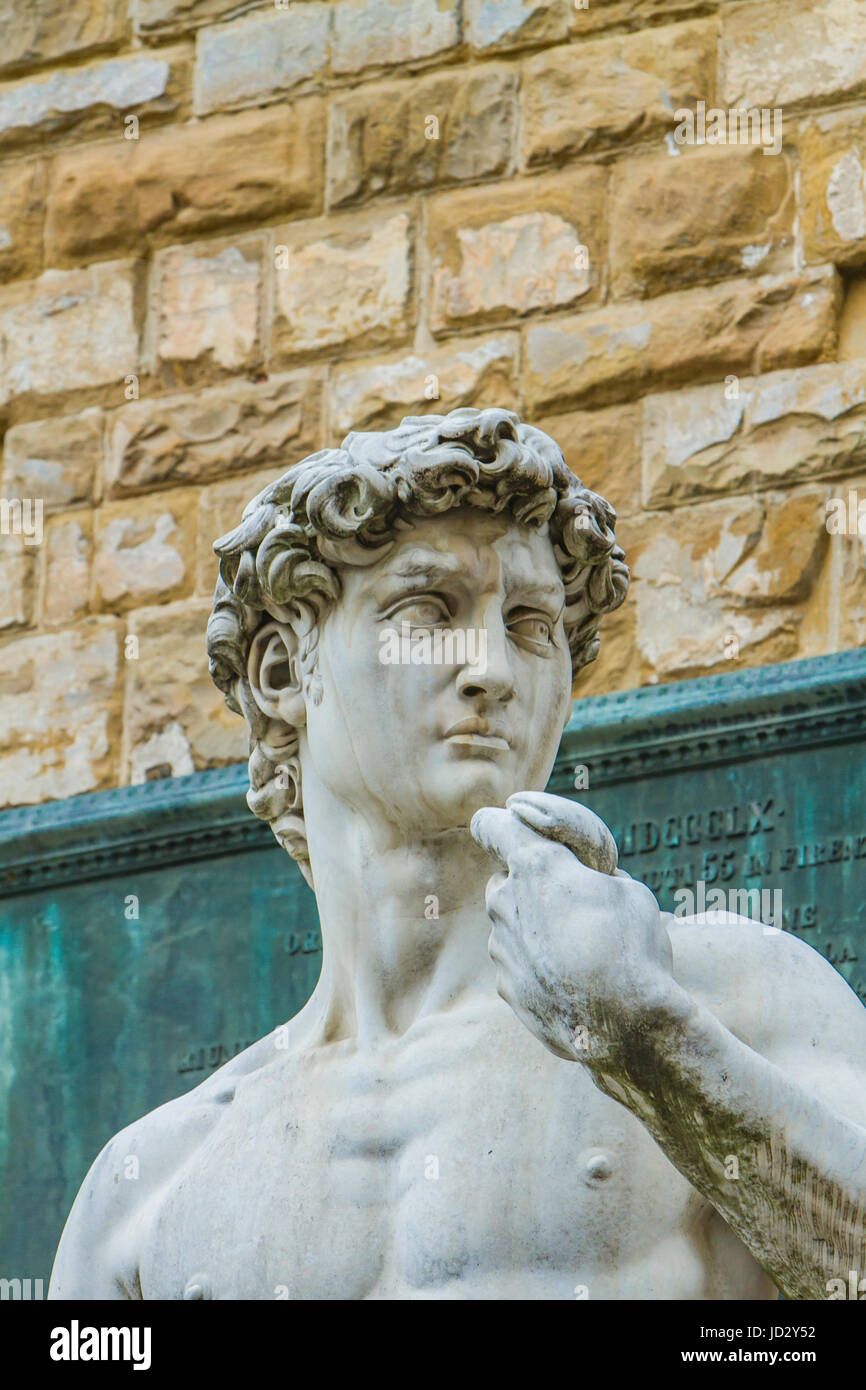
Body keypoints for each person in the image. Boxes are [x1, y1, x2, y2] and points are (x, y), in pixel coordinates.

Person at [49, 408, 866, 1300]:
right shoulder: (152, 1184)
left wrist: (651, 1045)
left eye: (528, 624)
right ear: (284, 671)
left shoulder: (728, 1000)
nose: (492, 668)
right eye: (427, 610)